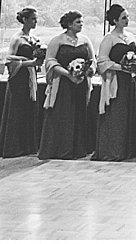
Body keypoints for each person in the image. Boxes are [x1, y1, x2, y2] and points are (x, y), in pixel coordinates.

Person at [38, 10, 95, 160]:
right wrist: (68, 74)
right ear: (69, 24)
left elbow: (92, 59)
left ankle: (79, 148)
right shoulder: (57, 40)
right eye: (78, 22)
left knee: (80, 112)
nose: (81, 25)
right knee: (64, 114)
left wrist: (89, 70)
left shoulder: (85, 39)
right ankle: (62, 148)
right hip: (63, 84)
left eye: (82, 22)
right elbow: (50, 61)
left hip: (81, 83)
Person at [93, 4, 136, 161]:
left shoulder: (131, 36)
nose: (127, 20)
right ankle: (113, 150)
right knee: (116, 113)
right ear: (115, 20)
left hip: (129, 80)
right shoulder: (109, 38)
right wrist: (122, 67)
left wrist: (135, 64)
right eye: (123, 18)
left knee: (129, 113)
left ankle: (128, 149)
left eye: (127, 17)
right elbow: (102, 62)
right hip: (115, 81)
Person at [0, 7, 42, 158]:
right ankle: (13, 146)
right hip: (19, 77)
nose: (36, 22)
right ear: (25, 20)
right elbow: (9, 58)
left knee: (29, 108)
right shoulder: (17, 38)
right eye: (33, 19)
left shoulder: (33, 38)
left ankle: (27, 145)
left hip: (30, 76)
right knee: (17, 108)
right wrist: (27, 62)